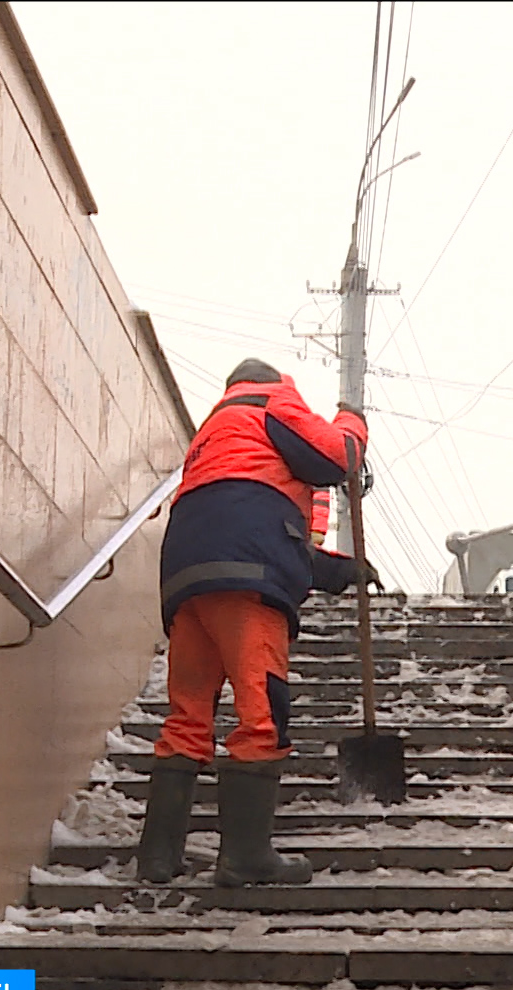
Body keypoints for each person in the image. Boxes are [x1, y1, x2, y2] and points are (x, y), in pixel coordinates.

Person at [138, 358, 371, 888]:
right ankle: (245, 857)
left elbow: (249, 514)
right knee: (262, 711)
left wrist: (338, 570)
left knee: (187, 715)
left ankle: (157, 858)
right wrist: (352, 420)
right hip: (245, 581)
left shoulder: (212, 435)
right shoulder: (271, 404)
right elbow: (336, 457)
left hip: (187, 580)